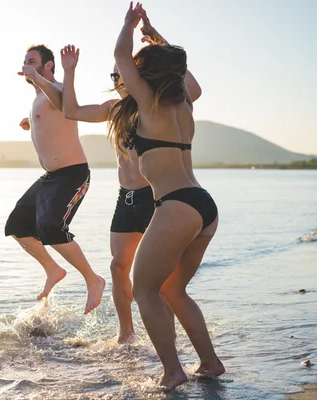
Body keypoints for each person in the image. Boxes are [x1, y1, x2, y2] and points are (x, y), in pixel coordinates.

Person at [60, 12, 202, 343]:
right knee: (118, 267)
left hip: (158, 197)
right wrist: (68, 73)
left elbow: (190, 85)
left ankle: (168, 341)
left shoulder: (161, 106)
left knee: (159, 282)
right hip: (127, 197)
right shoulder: (114, 109)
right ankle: (127, 333)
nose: (118, 78)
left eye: (121, 73)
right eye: (115, 75)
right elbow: (71, 110)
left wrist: (156, 40)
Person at [111, 3, 225, 390]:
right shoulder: (183, 102)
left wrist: (130, 26)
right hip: (203, 204)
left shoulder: (151, 102)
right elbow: (181, 72)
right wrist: (154, 33)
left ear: (147, 74)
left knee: (143, 288)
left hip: (176, 204)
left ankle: (172, 371)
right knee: (173, 289)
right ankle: (209, 363)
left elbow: (120, 56)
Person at [6, 44, 105, 314]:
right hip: (51, 177)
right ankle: (53, 269)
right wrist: (32, 122)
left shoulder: (59, 87)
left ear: (48, 65)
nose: (26, 65)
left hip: (72, 174)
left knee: (51, 227)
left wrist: (37, 78)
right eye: (25, 60)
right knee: (17, 224)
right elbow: (50, 118)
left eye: (32, 61)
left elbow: (64, 105)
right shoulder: (38, 96)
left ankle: (93, 280)